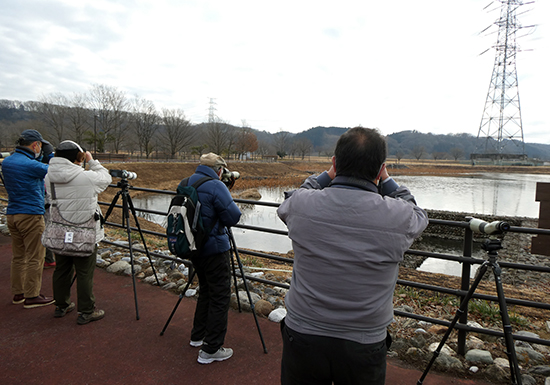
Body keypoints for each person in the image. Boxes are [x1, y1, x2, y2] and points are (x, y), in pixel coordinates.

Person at [277, 127, 429, 385]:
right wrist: (389, 181)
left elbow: (295, 196)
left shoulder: (302, 205)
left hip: (303, 331)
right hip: (364, 339)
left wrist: (326, 176)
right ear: (380, 169)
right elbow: (417, 213)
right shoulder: (399, 216)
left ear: (335, 162)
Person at [180, 152, 242, 364]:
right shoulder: (217, 186)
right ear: (220, 170)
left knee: (206, 290)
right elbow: (233, 217)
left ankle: (198, 336)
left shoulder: (186, 181)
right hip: (214, 249)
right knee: (220, 295)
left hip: (193, 247)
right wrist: (226, 192)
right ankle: (211, 349)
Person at [44, 140, 111, 324]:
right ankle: (86, 311)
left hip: (59, 231)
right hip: (84, 233)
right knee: (84, 272)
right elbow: (106, 178)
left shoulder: (49, 177)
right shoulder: (87, 177)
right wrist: (92, 161)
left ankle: (61, 305)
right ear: (78, 157)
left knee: (61, 269)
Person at [3, 129, 55, 308]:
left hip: (13, 213)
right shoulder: (31, 166)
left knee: (18, 256)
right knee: (35, 256)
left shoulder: (8, 162)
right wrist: (53, 156)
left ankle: (18, 293)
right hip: (31, 215)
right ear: (35, 145)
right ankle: (32, 295)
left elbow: (30, 167)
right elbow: (53, 171)